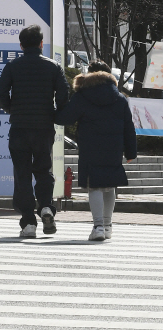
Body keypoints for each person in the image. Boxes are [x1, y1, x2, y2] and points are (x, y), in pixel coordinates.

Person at [0, 24, 69, 239]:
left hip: (19, 127)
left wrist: (11, 107)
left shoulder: (13, 66)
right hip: (44, 127)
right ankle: (46, 207)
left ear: (21, 45)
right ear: (41, 44)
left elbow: (0, 90)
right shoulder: (53, 66)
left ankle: (28, 222)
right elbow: (63, 95)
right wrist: (55, 113)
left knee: (22, 174)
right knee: (44, 170)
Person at [54, 60, 137, 241]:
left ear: (89, 74)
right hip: (113, 147)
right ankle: (107, 226)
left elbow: (64, 118)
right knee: (109, 186)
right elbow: (128, 127)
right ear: (109, 76)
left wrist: (52, 108)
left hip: (91, 146)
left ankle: (98, 226)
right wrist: (131, 152)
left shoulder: (82, 96)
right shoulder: (120, 98)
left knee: (95, 186)